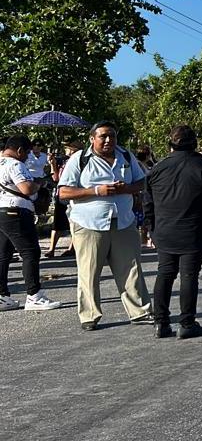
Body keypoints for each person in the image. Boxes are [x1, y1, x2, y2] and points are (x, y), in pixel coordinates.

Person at [57, 121, 153, 330]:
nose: (109, 140)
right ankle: (89, 316)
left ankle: (140, 312)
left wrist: (127, 188)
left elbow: (142, 182)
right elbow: (63, 192)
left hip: (124, 222)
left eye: (112, 136)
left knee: (131, 270)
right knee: (89, 273)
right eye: (103, 136)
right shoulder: (79, 159)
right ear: (92, 139)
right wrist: (96, 191)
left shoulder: (125, 156)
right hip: (89, 224)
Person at [144, 125, 202, 339]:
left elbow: (148, 203)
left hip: (164, 232)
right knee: (189, 276)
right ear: (195, 143)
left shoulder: (157, 168)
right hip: (195, 231)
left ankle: (161, 323)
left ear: (169, 144)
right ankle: (187, 323)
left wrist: (150, 230)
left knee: (165, 273)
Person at [0, 135, 63, 311]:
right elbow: (26, 188)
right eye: (27, 152)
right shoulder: (15, 164)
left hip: (2, 211)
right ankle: (34, 295)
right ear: (19, 150)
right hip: (16, 211)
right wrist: (39, 184)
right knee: (30, 252)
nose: (28, 156)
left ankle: (2, 296)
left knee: (3, 254)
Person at [44, 140, 80, 259]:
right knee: (57, 222)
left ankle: (72, 248)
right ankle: (52, 248)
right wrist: (53, 164)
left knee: (73, 222)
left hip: (74, 194)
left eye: (68, 148)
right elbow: (56, 178)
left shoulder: (81, 161)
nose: (66, 150)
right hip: (61, 194)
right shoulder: (63, 161)